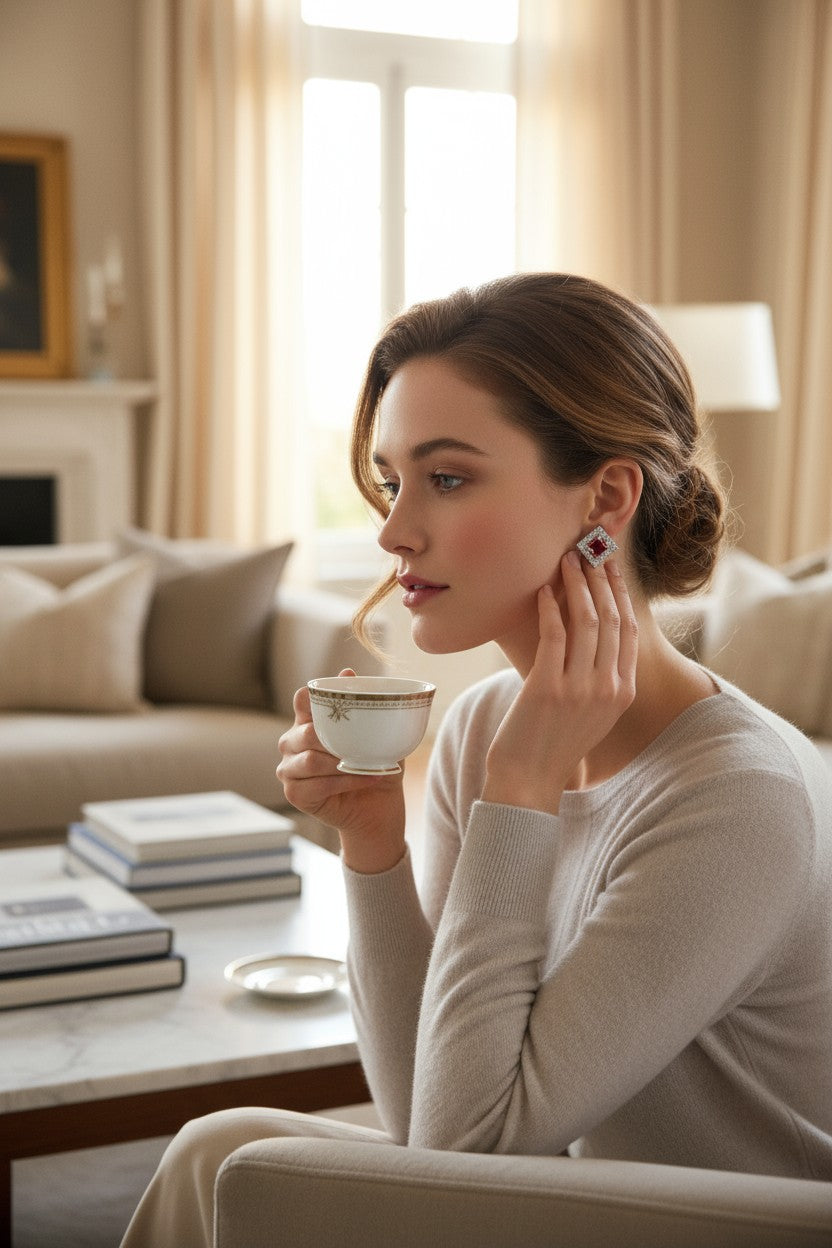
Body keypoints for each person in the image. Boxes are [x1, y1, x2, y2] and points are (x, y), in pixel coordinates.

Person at [120, 273, 832, 1246]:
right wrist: (374, 847)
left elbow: (463, 1153)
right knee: (219, 1147)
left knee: (231, 1157)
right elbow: (427, 1118)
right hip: (568, 1195)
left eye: (446, 478)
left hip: (728, 1225)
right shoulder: (485, 727)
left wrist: (523, 789)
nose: (391, 530)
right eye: (389, 479)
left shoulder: (733, 793)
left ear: (606, 495)